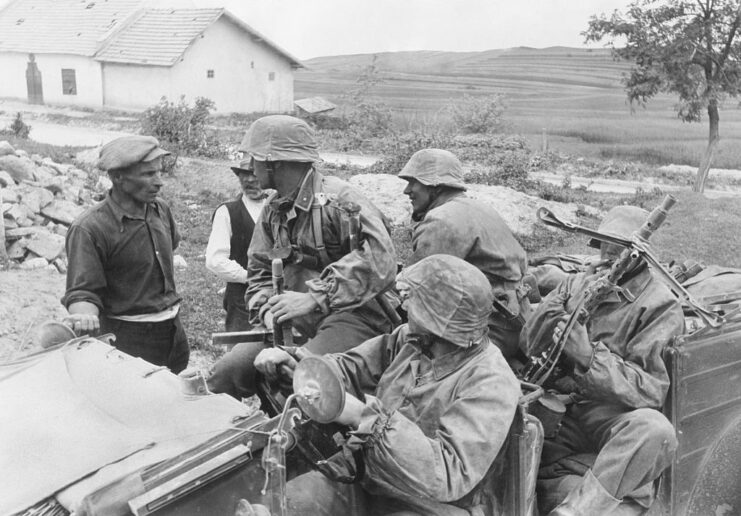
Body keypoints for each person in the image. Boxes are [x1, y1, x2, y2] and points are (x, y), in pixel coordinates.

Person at [256, 254, 521, 515]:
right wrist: (301, 365)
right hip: (367, 477)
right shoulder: (414, 340)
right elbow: (351, 366)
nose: (405, 307)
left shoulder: (491, 382)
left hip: (431, 506)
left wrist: (364, 416)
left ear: (437, 319)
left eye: (414, 302)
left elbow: (448, 474)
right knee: (280, 507)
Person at [207, 115, 397, 399]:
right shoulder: (273, 210)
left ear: (275, 163)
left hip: (354, 317)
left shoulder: (340, 201)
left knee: (299, 373)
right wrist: (268, 311)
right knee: (226, 373)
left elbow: (382, 260)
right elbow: (258, 271)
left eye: (256, 160)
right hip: (294, 323)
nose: (250, 168)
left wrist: (315, 297)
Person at [520, 205, 684, 515]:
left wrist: (588, 356)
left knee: (655, 430)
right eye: (604, 244)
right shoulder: (578, 282)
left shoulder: (660, 305)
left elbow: (649, 389)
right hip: (558, 410)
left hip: (608, 417)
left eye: (619, 246)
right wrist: (566, 305)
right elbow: (528, 345)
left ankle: (575, 510)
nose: (609, 254)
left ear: (638, 256)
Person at [61, 135, 189, 373]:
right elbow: (82, 292)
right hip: (129, 341)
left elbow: (170, 246)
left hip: (173, 332)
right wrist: (85, 316)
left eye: (159, 173)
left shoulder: (160, 209)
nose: (159, 182)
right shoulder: (90, 228)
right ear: (118, 177)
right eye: (149, 174)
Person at [397, 148, 530, 360]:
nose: (407, 190)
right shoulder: (479, 207)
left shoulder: (442, 220)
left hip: (487, 330)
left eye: (414, 182)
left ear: (436, 187)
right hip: (516, 322)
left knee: (403, 352)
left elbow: (413, 288)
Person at [205, 158, 266, 331]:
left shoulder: (279, 208)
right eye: (244, 175)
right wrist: (251, 278)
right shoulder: (227, 212)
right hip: (243, 302)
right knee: (241, 353)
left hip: (281, 299)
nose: (249, 180)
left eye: (254, 174)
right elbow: (215, 260)